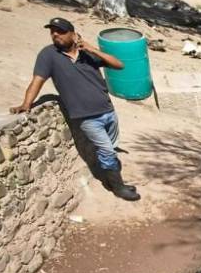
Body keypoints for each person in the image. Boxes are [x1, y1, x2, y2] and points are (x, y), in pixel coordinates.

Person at [11, 17, 140, 201]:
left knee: (110, 147)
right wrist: (26, 104)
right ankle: (119, 188)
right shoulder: (48, 55)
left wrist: (91, 49)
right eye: (52, 31)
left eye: (61, 31)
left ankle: (112, 181)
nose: (55, 34)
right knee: (107, 151)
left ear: (73, 34)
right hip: (86, 117)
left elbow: (119, 65)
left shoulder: (87, 53)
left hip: (107, 110)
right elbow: (37, 80)